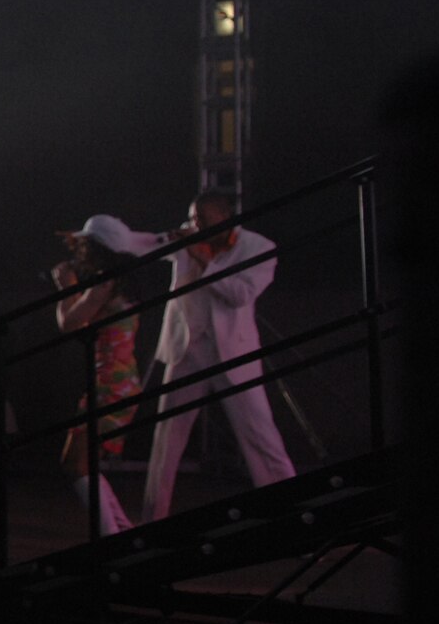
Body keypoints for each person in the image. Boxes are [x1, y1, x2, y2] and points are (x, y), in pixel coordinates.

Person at [123, 192, 296, 520]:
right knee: (166, 440)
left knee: (260, 435)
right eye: (193, 218)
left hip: (233, 353)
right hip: (186, 349)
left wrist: (205, 262)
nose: (196, 225)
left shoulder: (259, 248)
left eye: (203, 219)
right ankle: (152, 520)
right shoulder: (187, 237)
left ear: (225, 217)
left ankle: (291, 512)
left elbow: (240, 295)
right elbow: (147, 245)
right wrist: (107, 236)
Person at [50, 218, 144, 534]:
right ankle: (121, 529)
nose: (80, 251)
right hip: (119, 381)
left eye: (85, 245)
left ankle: (111, 535)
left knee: (75, 464)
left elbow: (68, 323)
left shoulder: (105, 283)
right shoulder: (121, 283)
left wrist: (65, 286)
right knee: (85, 463)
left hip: (110, 385)